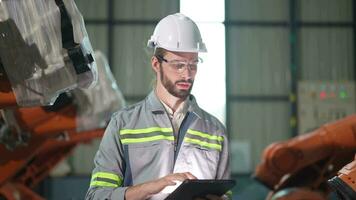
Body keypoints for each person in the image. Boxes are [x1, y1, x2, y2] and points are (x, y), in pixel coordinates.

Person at [85, 13, 231, 200]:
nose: (187, 74)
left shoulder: (215, 130)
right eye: (178, 65)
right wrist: (153, 187)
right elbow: (97, 196)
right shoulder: (123, 124)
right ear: (156, 64)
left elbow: (226, 195)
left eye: (193, 65)